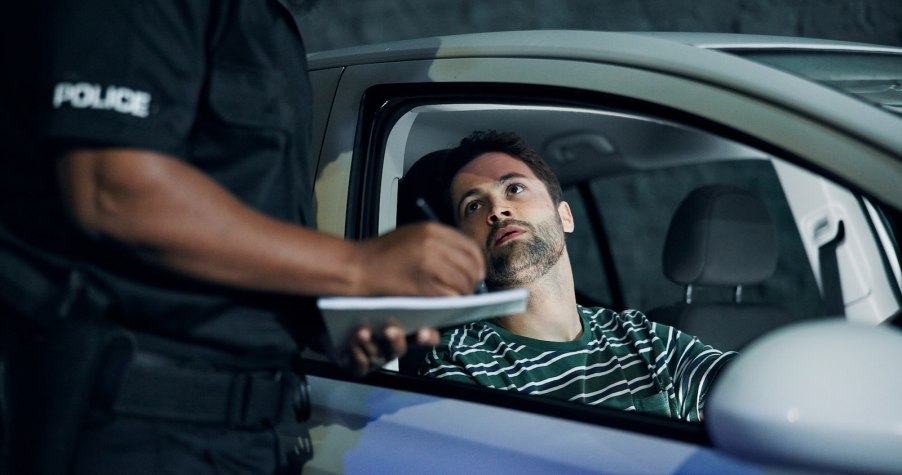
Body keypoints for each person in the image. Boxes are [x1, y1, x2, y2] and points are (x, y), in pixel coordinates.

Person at [0, 1, 484, 474]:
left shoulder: (271, 29)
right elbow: (113, 190)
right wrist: (358, 267)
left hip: (246, 433)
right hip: (136, 424)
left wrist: (339, 320)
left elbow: (247, 240)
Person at [417, 130, 736, 422]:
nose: (497, 210)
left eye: (514, 188)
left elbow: (745, 388)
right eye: (473, 206)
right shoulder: (460, 364)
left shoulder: (643, 339)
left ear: (564, 216)